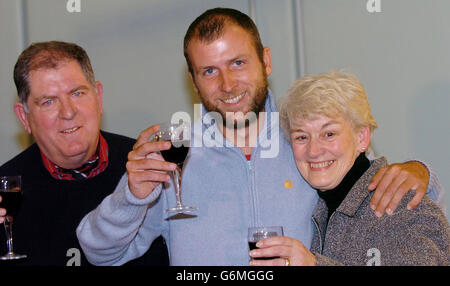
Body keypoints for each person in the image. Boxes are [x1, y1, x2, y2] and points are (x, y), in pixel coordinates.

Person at [77, 8, 444, 266]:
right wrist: (132, 196)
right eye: (209, 71)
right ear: (193, 81)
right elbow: (100, 253)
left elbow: (379, 194)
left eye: (238, 63)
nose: (227, 85)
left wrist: (420, 172)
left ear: (266, 61)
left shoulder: (306, 139)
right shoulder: (169, 160)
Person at [249, 70, 449, 266]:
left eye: (329, 134)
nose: (314, 150)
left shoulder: (402, 206)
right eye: (301, 137)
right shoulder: (311, 208)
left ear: (362, 137)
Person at [0, 41, 169, 266]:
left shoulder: (150, 170)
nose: (68, 112)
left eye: (78, 93)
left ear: (98, 98)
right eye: (48, 101)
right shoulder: (6, 191)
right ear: (24, 117)